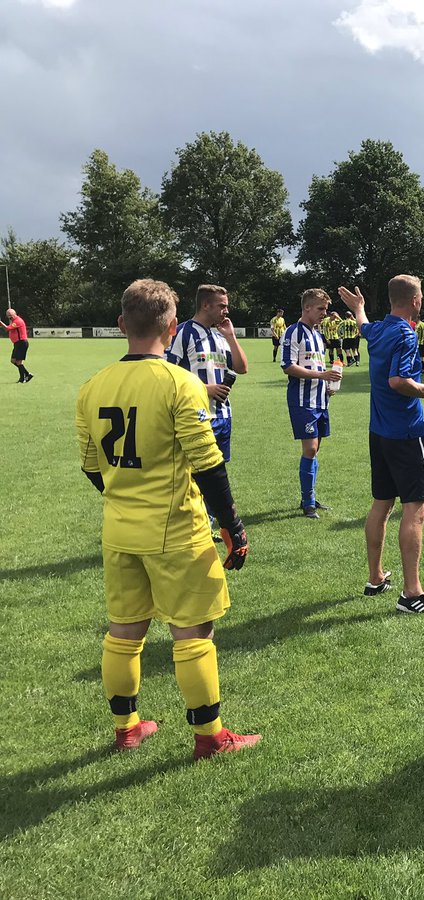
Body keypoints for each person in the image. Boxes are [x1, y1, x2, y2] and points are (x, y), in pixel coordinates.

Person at [75, 278, 257, 759]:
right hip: (176, 528)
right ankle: (210, 737)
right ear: (172, 327)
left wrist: (126, 497)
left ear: (121, 325)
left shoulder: (92, 387)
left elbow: (91, 468)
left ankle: (127, 728)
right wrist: (233, 526)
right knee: (194, 632)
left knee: (123, 630)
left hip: (119, 530)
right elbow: (209, 464)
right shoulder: (181, 383)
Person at [338, 278, 424, 613]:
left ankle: (375, 578)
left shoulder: (380, 329)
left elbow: (363, 327)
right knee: (415, 508)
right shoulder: (404, 333)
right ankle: (412, 593)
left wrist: (359, 308)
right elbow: (398, 381)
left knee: (382, 503)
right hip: (405, 433)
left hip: (379, 432)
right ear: (415, 300)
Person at [165, 284, 249, 476]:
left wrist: (231, 337)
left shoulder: (220, 336)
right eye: (222, 306)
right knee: (193, 474)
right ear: (205, 305)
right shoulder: (183, 332)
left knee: (217, 474)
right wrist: (204, 389)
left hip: (222, 415)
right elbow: (167, 373)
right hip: (196, 417)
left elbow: (242, 368)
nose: (226, 311)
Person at [282, 289, 341, 518]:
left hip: (320, 399)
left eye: (325, 309)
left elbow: (317, 366)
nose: (324, 313)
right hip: (302, 400)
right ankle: (308, 502)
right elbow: (288, 366)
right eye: (320, 309)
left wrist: (327, 385)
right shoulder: (293, 332)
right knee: (310, 448)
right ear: (306, 307)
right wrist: (322, 375)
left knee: (315, 450)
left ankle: (310, 497)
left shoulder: (317, 334)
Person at [4, 308, 32, 382]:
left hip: (21, 343)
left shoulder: (18, 321)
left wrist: (0, 323)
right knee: (13, 360)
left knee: (19, 362)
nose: (9, 317)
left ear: (14, 314)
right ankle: (27, 374)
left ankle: (22, 379)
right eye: (8, 315)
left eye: (10, 315)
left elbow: (7, 328)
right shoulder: (13, 321)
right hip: (17, 344)